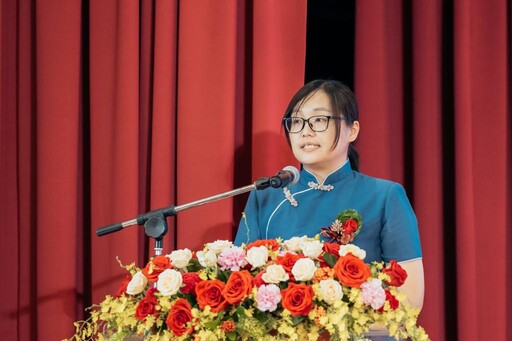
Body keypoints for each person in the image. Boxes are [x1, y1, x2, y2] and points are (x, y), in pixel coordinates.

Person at [234, 79, 424, 338]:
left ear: (352, 130)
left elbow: (410, 300)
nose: (305, 131)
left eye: (319, 120)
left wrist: (325, 326)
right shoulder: (265, 197)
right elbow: (239, 288)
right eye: (296, 122)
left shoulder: (385, 196)